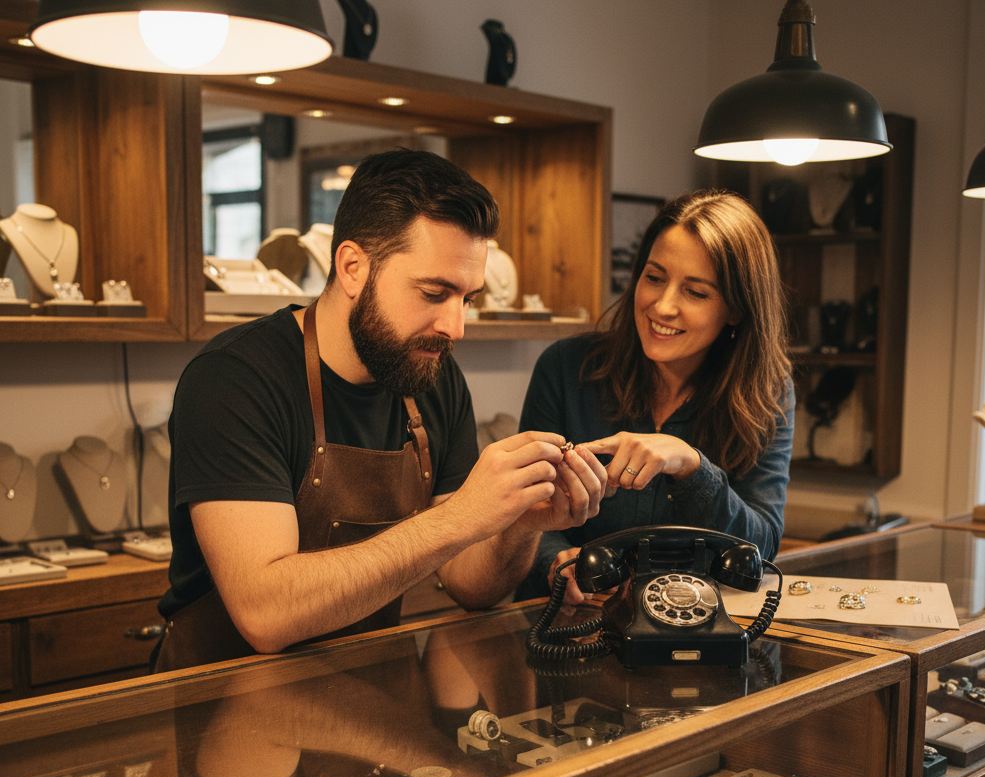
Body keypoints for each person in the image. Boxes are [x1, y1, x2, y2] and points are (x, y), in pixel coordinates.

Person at [153, 149, 606, 672]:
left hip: (359, 691)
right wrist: (459, 518)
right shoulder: (235, 379)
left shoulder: (430, 374)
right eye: (435, 293)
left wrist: (521, 524)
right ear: (352, 267)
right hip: (219, 704)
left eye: (467, 299)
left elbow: (472, 586)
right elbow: (265, 614)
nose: (455, 327)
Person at [515, 188, 793, 604]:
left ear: (736, 309)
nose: (662, 306)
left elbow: (761, 548)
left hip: (700, 635)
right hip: (571, 627)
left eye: (695, 292)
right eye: (654, 277)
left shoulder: (767, 394)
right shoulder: (566, 368)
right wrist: (559, 562)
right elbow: (525, 516)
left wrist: (692, 467)